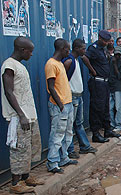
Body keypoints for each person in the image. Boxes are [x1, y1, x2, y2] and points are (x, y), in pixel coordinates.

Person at [1, 36, 44, 194]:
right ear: (22, 50)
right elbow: (8, 91)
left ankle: (26, 178)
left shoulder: (19, 65)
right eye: (30, 51)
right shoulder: (9, 66)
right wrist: (21, 115)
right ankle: (15, 184)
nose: (31, 54)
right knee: (19, 150)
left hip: (29, 115)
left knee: (28, 148)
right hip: (19, 117)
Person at [45, 38, 78, 174]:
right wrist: (60, 104)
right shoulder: (51, 64)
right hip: (60, 105)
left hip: (67, 103)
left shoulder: (59, 64)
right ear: (62, 48)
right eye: (67, 49)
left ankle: (64, 157)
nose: (69, 52)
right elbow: (51, 87)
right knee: (57, 134)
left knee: (67, 133)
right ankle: (52, 162)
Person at [62, 38, 98, 159]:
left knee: (78, 123)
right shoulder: (69, 61)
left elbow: (85, 59)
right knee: (70, 124)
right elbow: (63, 80)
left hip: (78, 96)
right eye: (83, 48)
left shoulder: (77, 60)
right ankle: (70, 149)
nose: (85, 50)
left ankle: (84, 146)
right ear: (76, 48)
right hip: (72, 96)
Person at [85, 30, 121, 143]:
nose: (107, 43)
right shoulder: (93, 48)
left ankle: (107, 129)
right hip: (97, 82)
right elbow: (84, 58)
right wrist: (92, 70)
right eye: (105, 41)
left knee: (105, 107)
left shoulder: (103, 50)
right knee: (97, 108)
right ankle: (95, 133)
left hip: (105, 82)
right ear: (100, 39)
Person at [109, 46, 121, 132]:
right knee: (110, 107)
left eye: (119, 55)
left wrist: (115, 65)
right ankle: (112, 124)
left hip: (118, 87)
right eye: (116, 55)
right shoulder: (110, 60)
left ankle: (119, 125)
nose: (117, 56)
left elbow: (120, 76)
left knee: (118, 107)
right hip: (110, 86)